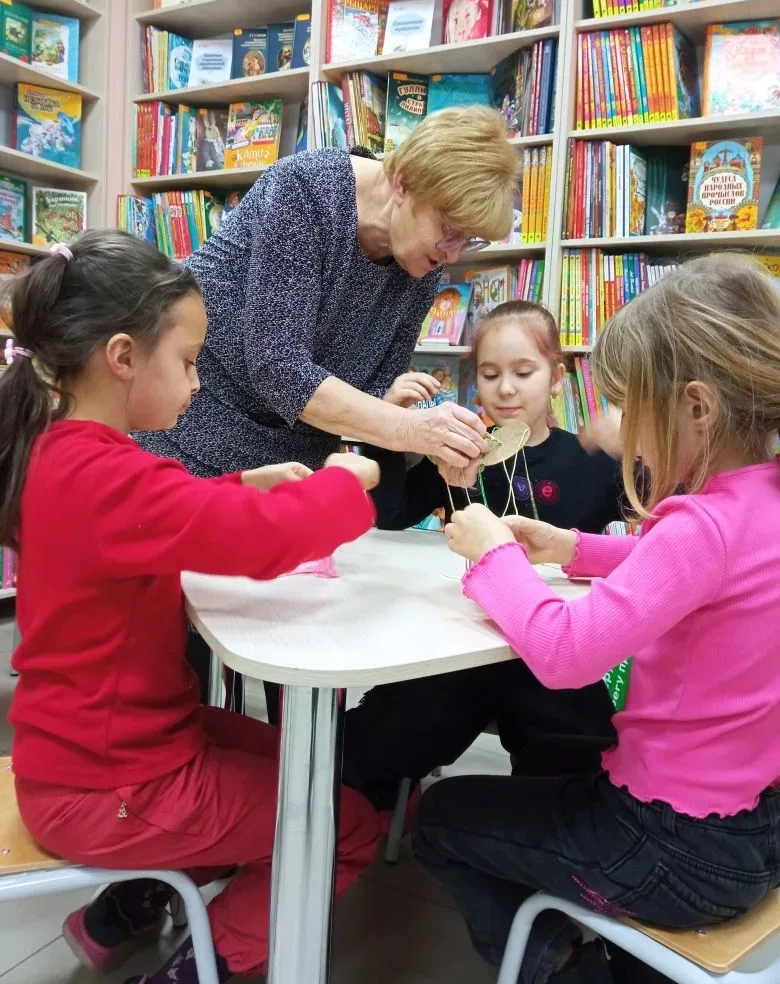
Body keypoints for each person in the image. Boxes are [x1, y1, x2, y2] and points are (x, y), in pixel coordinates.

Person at [0, 232, 382, 984]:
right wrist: (344, 483)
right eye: (187, 361)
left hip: (101, 751)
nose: (197, 383)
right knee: (345, 827)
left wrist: (240, 484)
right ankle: (194, 969)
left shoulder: (67, 453)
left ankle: (117, 918)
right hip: (109, 783)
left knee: (307, 771)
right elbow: (263, 540)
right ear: (122, 357)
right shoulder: (101, 475)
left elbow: (160, 514)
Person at [414, 254, 780, 983]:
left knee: (439, 817)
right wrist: (572, 547)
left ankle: (559, 966)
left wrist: (493, 554)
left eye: (630, 407)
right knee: (550, 761)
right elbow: (697, 574)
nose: (622, 431)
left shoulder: (700, 523)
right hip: (754, 831)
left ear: (697, 408)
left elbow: (563, 651)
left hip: (670, 847)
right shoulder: (760, 501)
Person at [135, 105, 516, 712]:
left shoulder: (418, 266)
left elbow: (374, 384)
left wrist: (437, 443)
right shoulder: (306, 191)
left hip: (288, 464)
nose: (451, 252)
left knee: (299, 653)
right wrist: (412, 429)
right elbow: (278, 365)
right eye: (448, 228)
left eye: (467, 240)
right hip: (189, 431)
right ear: (403, 182)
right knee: (176, 656)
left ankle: (286, 768)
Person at [343, 301, 625, 813]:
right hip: (459, 651)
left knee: (582, 774)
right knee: (367, 751)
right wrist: (388, 433)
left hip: (551, 658)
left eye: (524, 372)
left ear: (556, 378)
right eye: (491, 375)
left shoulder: (589, 459)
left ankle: (521, 844)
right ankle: (374, 824)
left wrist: (637, 445)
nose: (506, 389)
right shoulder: (459, 451)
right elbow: (390, 515)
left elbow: (665, 520)